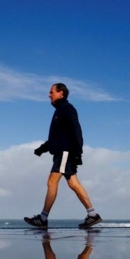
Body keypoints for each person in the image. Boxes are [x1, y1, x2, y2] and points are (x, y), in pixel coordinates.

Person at [25, 83, 102, 229]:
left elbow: (76, 131)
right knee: (73, 183)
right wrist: (43, 148)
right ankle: (93, 215)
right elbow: (56, 138)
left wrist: (78, 154)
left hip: (65, 153)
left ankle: (43, 218)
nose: (49, 95)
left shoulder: (67, 109)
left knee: (52, 181)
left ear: (61, 93)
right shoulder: (59, 110)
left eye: (51, 92)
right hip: (62, 152)